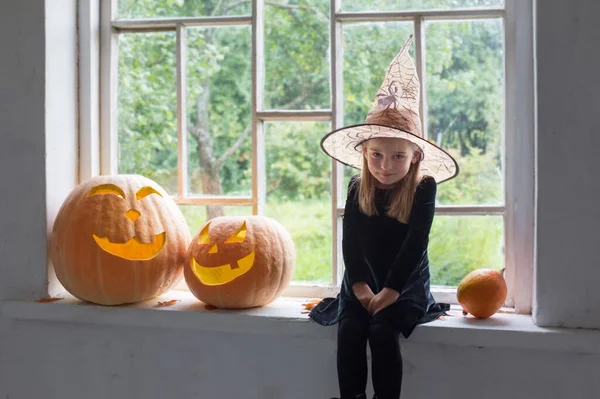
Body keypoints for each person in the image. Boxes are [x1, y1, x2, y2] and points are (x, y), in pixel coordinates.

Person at [309, 35, 459, 399]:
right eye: (376, 155)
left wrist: (390, 291)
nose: (384, 166)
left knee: (381, 332)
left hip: (404, 281)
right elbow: (351, 241)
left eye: (397, 157)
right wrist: (359, 286)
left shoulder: (423, 189)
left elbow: (415, 243)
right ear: (364, 153)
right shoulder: (358, 185)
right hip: (362, 279)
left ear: (414, 158)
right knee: (349, 332)